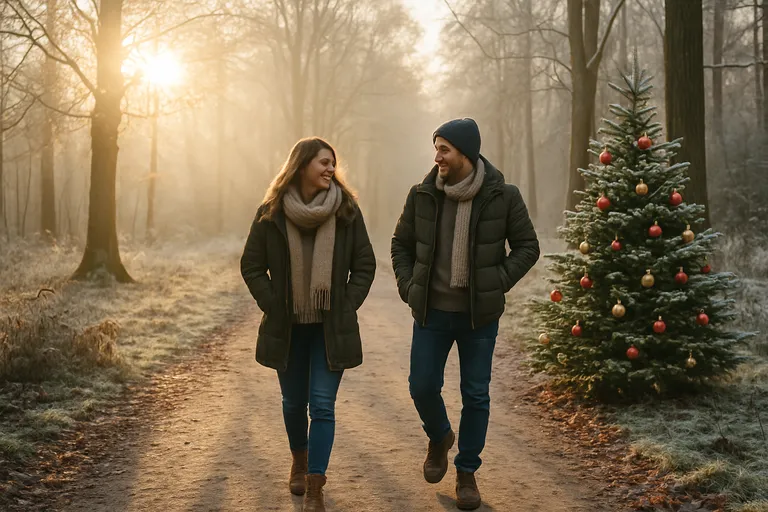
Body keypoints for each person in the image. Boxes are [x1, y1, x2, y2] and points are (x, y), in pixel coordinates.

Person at [391, 118, 540, 510]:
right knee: (421, 386)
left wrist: (496, 281)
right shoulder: (422, 194)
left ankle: (466, 472)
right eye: (436, 148)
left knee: (475, 395)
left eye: (444, 149)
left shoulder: (503, 196)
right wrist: (409, 287)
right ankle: (439, 437)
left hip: (478, 318)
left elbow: (528, 246)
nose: (437, 156)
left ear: (466, 154)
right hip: (431, 313)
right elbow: (400, 244)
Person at [241, 137, 376, 512]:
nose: (331, 168)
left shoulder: (346, 211)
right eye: (323, 162)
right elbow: (251, 265)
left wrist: (345, 305)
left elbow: (365, 264)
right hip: (288, 327)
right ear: (301, 166)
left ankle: (315, 483)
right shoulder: (270, 212)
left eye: (333, 162)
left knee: (322, 404)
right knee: (292, 402)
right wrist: (274, 304)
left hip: (329, 328)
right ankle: (298, 461)